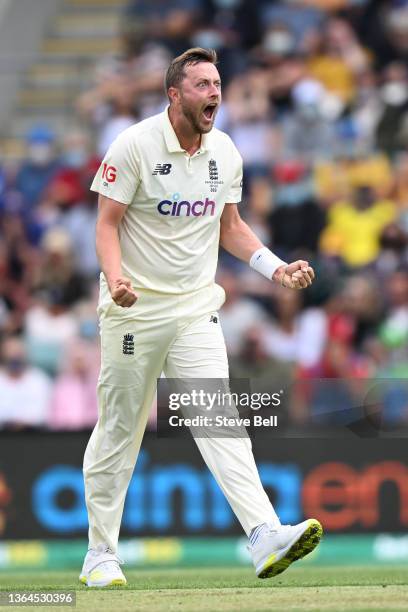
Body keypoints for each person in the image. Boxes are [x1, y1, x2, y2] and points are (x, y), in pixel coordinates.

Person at [80, 47, 322, 588]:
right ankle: (100, 553)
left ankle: (263, 535)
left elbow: (229, 226)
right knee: (121, 429)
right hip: (133, 310)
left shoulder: (225, 151)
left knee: (220, 418)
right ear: (175, 95)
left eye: (217, 82)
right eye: (202, 85)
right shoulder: (135, 144)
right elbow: (106, 223)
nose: (214, 92)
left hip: (194, 308)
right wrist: (116, 279)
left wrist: (275, 270)